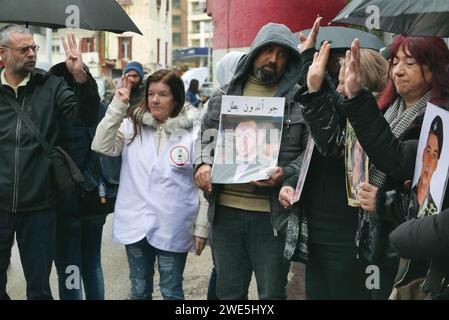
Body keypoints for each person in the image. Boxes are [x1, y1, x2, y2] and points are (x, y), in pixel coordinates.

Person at [195, 22, 308, 300]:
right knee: (228, 294)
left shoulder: (300, 101)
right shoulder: (223, 97)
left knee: (271, 294)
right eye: (267, 51)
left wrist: (285, 174)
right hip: (225, 215)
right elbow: (204, 142)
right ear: (254, 51)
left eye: (282, 55)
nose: (273, 60)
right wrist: (202, 165)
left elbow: (308, 156)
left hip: (271, 219)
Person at [279, 17, 389, 300]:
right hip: (318, 230)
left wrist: (314, 88)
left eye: (344, 81)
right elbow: (315, 152)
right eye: (337, 80)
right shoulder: (338, 105)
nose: (338, 89)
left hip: (349, 236)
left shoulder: (373, 118)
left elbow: (332, 138)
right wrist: (307, 57)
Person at [340, 35, 449, 299]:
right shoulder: (385, 108)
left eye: (409, 63)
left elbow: (397, 160)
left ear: (435, 68)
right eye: (395, 61)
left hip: (412, 248)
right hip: (374, 235)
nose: (398, 70)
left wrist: (383, 201)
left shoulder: (439, 121)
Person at [92, 69, 209, 300]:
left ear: (176, 97)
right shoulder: (131, 126)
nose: (155, 100)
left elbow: (203, 185)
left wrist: (202, 227)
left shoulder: (194, 132)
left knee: (172, 291)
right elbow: (100, 144)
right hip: (135, 222)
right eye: (151, 93)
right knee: (138, 291)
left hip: (173, 224)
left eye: (163, 94)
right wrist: (118, 105)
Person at [0, 25, 98, 300]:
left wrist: (80, 76)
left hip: (40, 206)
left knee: (39, 289)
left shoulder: (51, 86)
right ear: (2, 54)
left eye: (34, 48)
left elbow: (86, 115)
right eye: (24, 49)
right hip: (0, 204)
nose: (32, 54)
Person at [48, 62, 119, 300]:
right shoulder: (98, 110)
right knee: (92, 264)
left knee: (69, 268)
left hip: (64, 202)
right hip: (95, 196)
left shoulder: (54, 114)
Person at [412, 115, 443, 217]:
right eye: (428, 151)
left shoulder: (435, 211)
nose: (429, 162)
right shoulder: (405, 194)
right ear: (423, 153)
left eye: (434, 155)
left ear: (437, 164)